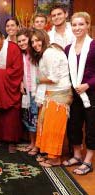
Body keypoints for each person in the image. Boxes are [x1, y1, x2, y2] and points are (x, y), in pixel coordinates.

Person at [29, 29, 72, 167]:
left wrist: (37, 80)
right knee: (46, 125)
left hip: (59, 95)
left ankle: (55, 159)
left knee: (54, 127)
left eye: (37, 40)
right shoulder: (47, 51)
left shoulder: (49, 52)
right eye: (33, 42)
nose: (35, 44)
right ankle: (49, 154)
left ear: (44, 38)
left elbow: (53, 78)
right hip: (52, 93)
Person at [63, 12, 95, 175]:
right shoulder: (68, 48)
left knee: (91, 127)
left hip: (91, 94)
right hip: (74, 94)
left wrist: (88, 85)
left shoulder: (94, 45)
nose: (77, 28)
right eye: (74, 25)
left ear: (88, 25)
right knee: (74, 126)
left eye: (81, 24)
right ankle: (76, 155)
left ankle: (88, 161)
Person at [17, 28, 38, 155]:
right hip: (27, 90)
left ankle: (37, 145)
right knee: (29, 117)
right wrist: (21, 83)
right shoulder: (22, 54)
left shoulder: (35, 53)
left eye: (24, 40)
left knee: (36, 117)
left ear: (29, 39)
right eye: (19, 41)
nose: (21, 43)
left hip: (37, 90)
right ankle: (32, 143)